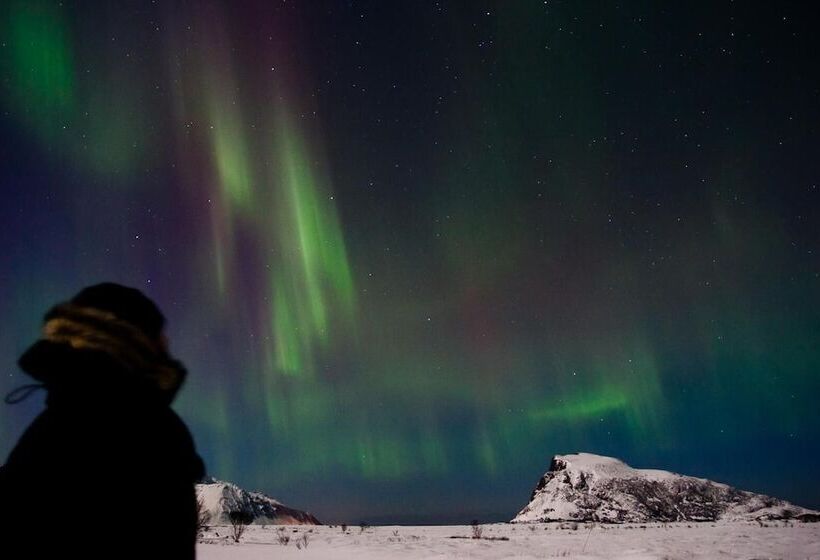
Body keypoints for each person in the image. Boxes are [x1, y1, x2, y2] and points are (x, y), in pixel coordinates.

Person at [0, 283, 205, 559]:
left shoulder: (55, 423)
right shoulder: (150, 428)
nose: (166, 346)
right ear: (134, 341)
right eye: (159, 336)